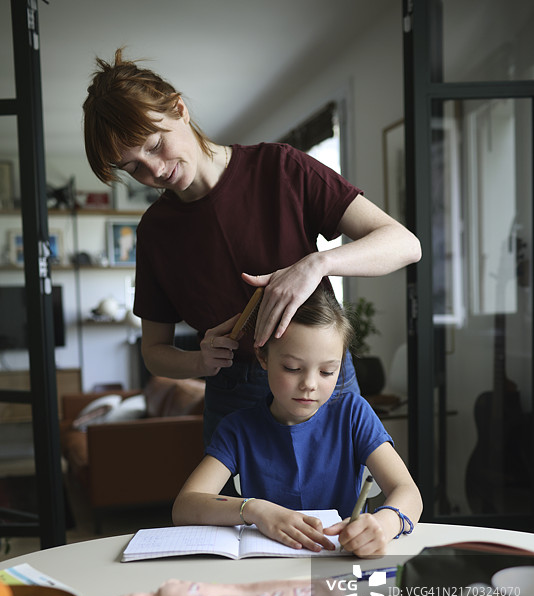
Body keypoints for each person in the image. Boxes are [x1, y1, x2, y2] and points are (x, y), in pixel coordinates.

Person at [83, 48, 422, 445]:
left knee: (344, 504)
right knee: (239, 507)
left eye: (155, 145)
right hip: (234, 393)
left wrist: (315, 265)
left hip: (322, 378)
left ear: (179, 109)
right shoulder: (155, 232)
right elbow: (154, 351)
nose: (154, 170)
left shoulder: (281, 167)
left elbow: (404, 244)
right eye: (134, 167)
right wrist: (198, 361)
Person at [172, 286, 422, 557]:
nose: (310, 385)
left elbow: (407, 491)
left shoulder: (352, 413)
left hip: (340, 564)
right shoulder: (239, 429)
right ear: (263, 356)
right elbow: (185, 506)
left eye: (328, 371)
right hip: (268, 568)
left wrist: (385, 524)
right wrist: (255, 509)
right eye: (292, 368)